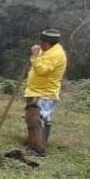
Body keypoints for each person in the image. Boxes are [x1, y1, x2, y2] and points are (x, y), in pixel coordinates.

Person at [23, 28, 67, 156]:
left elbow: (42, 70)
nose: (39, 44)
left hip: (44, 93)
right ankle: (37, 142)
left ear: (48, 43)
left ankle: (37, 149)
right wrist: (37, 56)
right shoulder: (49, 50)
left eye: (42, 41)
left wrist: (35, 57)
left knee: (35, 118)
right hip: (38, 90)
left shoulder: (55, 54)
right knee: (43, 119)